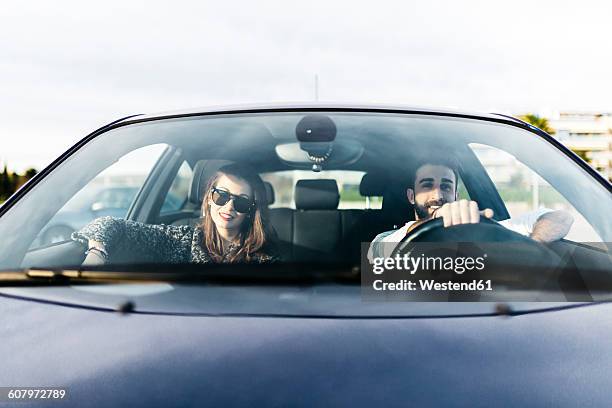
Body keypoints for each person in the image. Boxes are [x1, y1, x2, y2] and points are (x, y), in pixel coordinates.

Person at [368, 157, 574, 260]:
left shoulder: (488, 229)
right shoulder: (386, 239)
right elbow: (376, 256)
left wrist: (531, 248)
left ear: (456, 196)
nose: (438, 195)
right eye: (427, 185)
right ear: (411, 196)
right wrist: (437, 221)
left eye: (446, 187)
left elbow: (561, 217)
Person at [73, 163, 278, 264]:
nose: (229, 207)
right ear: (208, 197)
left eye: (241, 201)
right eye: (221, 196)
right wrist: (96, 254)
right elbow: (109, 225)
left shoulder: (266, 258)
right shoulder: (181, 240)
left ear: (251, 209)